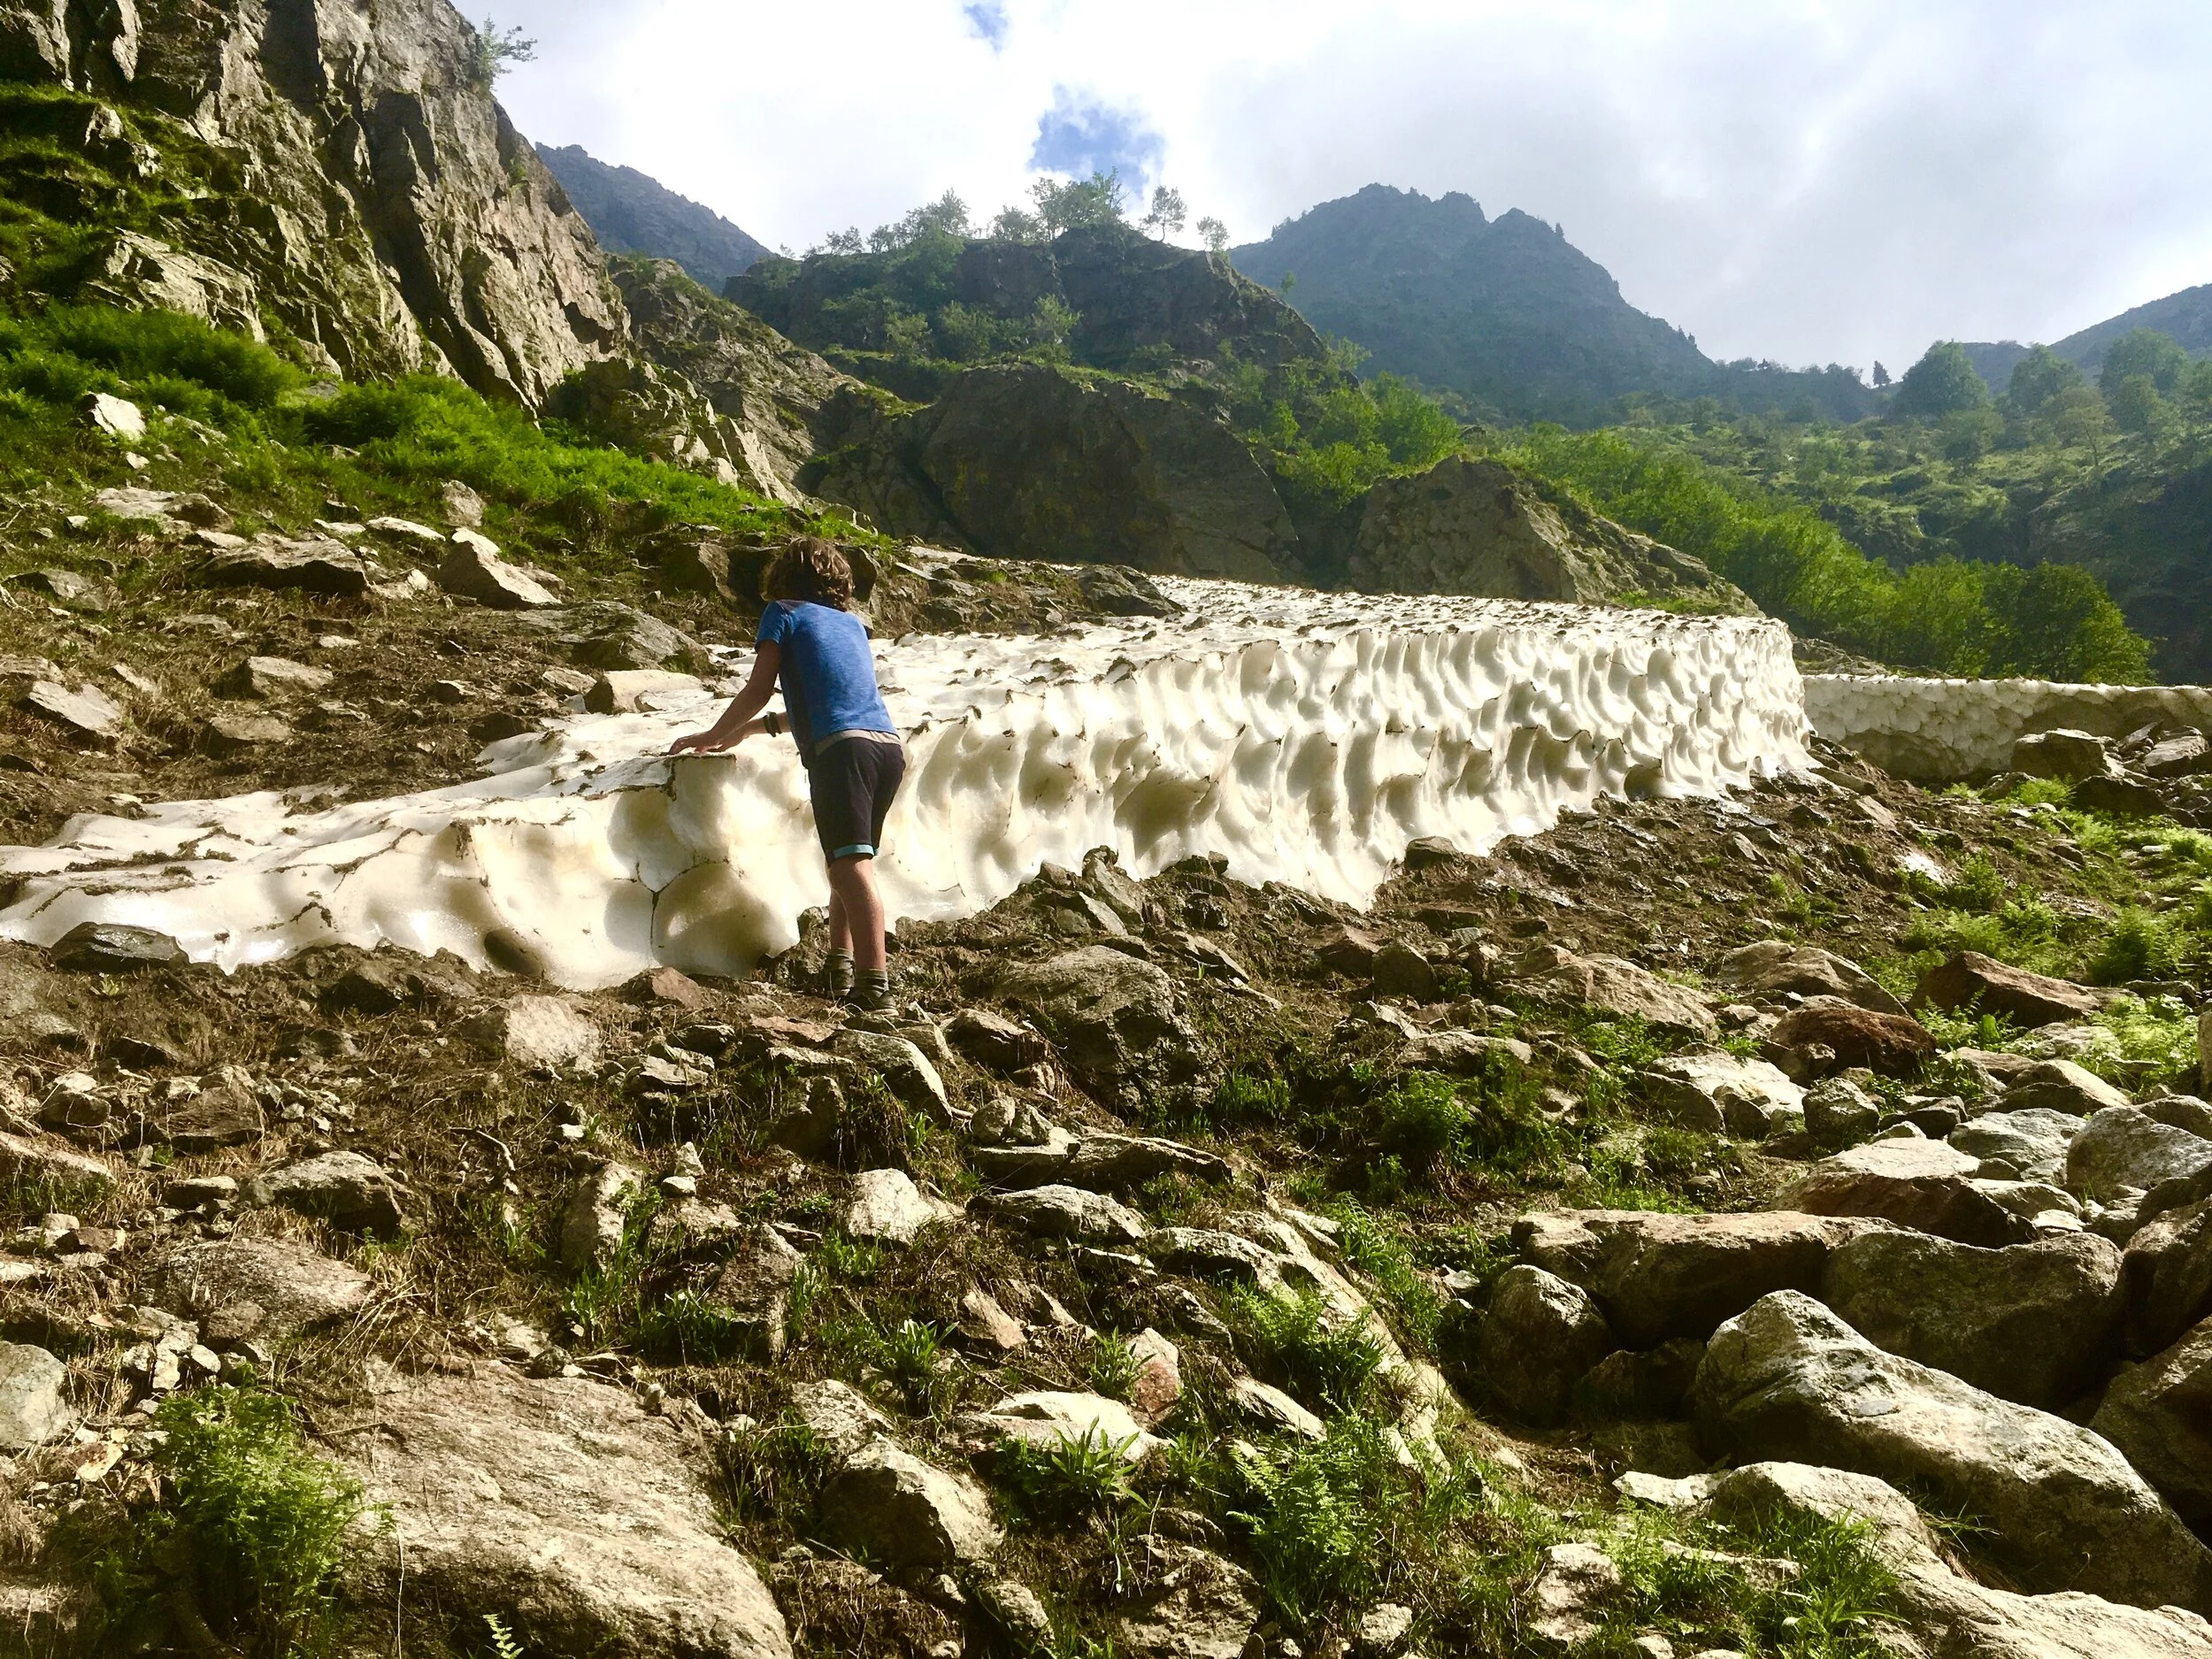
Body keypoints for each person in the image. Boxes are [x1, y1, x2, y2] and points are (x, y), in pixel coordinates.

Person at [670, 538, 905, 1010]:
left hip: (842, 752)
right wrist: (750, 732)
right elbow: (829, 696)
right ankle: (840, 964)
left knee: (848, 867)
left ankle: (874, 990)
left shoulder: (783, 612)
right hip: (886, 748)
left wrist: (715, 733)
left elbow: (760, 688)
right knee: (848, 858)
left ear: (784, 576)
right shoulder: (851, 625)